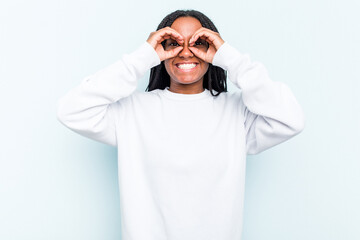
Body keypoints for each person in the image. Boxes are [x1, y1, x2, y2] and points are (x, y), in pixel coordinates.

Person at [57, 9, 305, 240]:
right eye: (173, 43)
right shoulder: (132, 111)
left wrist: (231, 59)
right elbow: (71, 110)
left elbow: (291, 120)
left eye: (198, 43)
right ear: (160, 51)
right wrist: (142, 57)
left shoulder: (237, 113)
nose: (186, 52)